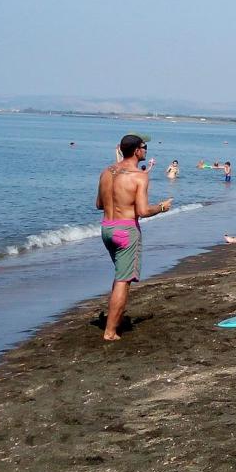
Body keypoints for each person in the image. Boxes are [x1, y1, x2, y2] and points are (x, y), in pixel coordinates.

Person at [96, 134, 173, 341]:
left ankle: (113, 321)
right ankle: (110, 332)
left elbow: (99, 205)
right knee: (124, 279)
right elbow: (143, 210)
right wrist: (162, 207)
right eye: (144, 147)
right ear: (137, 151)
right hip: (126, 231)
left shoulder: (106, 172)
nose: (146, 150)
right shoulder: (139, 176)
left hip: (106, 229)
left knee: (120, 274)